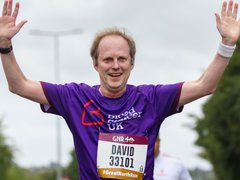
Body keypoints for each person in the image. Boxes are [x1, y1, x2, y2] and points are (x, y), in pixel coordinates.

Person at [0, 0, 239, 179]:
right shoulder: (74, 97)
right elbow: (18, 85)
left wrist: (227, 45)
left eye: (122, 59)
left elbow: (205, 86)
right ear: (95, 64)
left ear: (132, 63)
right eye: (108, 59)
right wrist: (4, 45)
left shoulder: (152, 99)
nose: (115, 66)